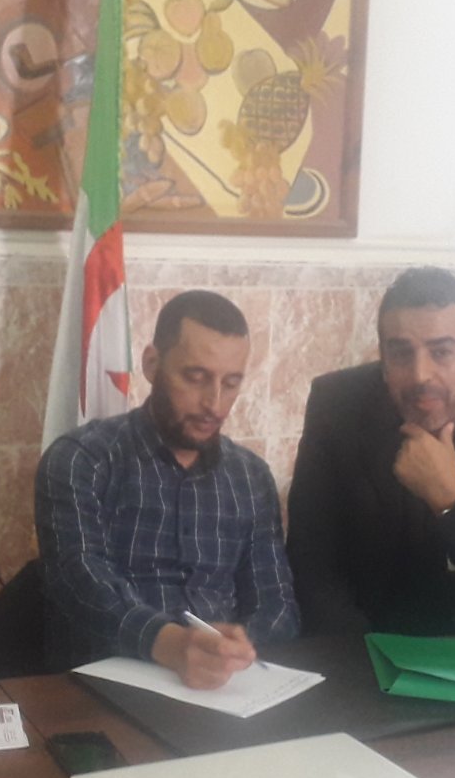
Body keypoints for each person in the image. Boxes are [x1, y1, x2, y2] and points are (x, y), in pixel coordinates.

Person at [35, 290, 298, 688]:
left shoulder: (250, 476)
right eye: (195, 378)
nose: (214, 404)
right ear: (152, 364)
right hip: (107, 681)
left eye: (231, 383)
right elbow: (80, 582)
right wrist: (171, 644)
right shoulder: (83, 459)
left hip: (225, 686)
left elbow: (276, 603)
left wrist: (236, 649)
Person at [286, 267, 455, 635]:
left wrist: (452, 502)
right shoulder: (336, 406)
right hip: (359, 643)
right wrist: (354, 654)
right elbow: (310, 562)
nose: (420, 374)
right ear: (383, 360)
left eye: (441, 352)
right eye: (401, 353)